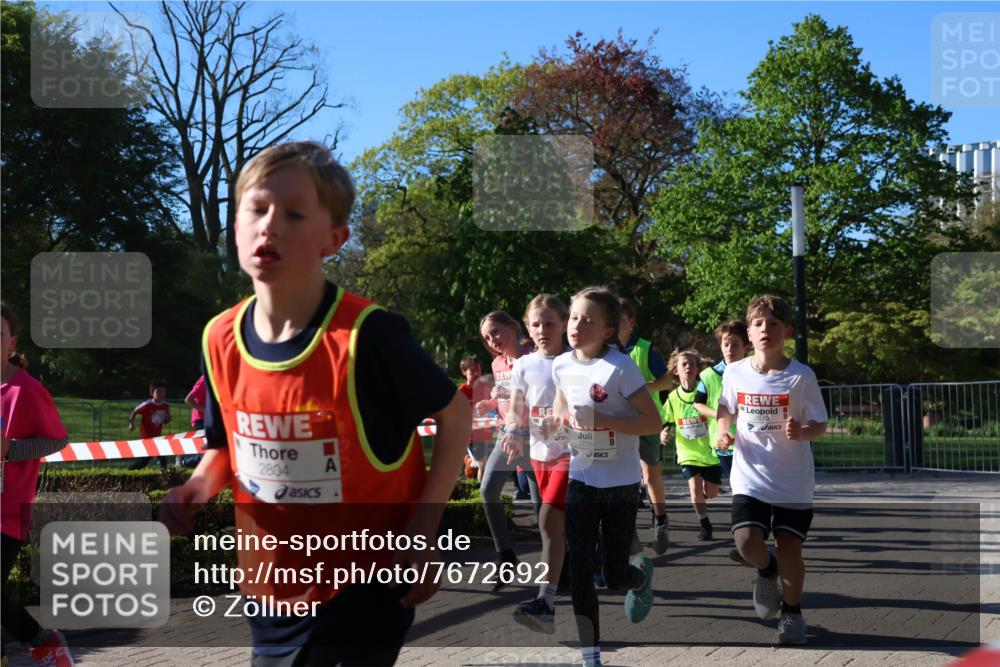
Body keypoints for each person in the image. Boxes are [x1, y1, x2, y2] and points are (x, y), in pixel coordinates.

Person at [158, 141, 470, 665]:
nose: (269, 225)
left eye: (294, 213)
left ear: (334, 239)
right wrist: (195, 487)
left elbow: (455, 414)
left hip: (365, 583)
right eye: (256, 209)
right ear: (235, 225)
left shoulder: (369, 336)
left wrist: (422, 529)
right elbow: (225, 447)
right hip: (269, 580)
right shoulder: (219, 338)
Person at [545, 286, 662, 667]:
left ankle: (638, 577)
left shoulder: (620, 367)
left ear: (608, 330)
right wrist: (556, 424)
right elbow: (562, 406)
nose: (578, 325)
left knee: (613, 576)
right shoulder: (561, 364)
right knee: (579, 566)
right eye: (575, 317)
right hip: (581, 477)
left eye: (589, 320)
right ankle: (590, 653)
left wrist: (605, 420)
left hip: (621, 484)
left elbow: (651, 420)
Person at [716, 295, 828, 646]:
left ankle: (792, 614)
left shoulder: (801, 376)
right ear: (749, 332)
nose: (766, 329)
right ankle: (766, 568)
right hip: (750, 476)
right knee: (747, 542)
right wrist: (722, 430)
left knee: (790, 546)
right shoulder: (735, 372)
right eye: (759, 324)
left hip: (792, 479)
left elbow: (820, 424)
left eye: (774, 324)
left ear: (788, 331)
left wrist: (803, 432)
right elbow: (725, 408)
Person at [0, 303, 75, 667]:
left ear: (11, 343)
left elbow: (58, 440)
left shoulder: (25, 390)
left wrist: (12, 449)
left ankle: (46, 645)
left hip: (7, 512)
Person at [502, 294, 570, 633]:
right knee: (557, 529)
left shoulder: (578, 361)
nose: (542, 330)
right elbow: (517, 407)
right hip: (540, 456)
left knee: (547, 520)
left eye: (549, 323)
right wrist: (513, 429)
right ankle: (623, 561)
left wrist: (565, 422)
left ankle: (545, 601)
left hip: (574, 455)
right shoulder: (524, 365)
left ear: (564, 323)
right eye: (536, 324)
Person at [475, 311, 539, 591]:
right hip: (507, 434)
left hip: (537, 438)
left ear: (513, 328)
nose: (493, 341)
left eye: (496, 332)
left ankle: (567, 564)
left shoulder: (535, 355)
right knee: (487, 489)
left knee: (544, 510)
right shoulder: (497, 363)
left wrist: (512, 396)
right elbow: (503, 395)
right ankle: (506, 555)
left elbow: (542, 396)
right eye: (488, 338)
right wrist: (490, 403)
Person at [618, 299, 673, 555]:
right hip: (617, 423)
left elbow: (666, 382)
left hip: (646, 420)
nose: (616, 322)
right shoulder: (601, 351)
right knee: (622, 479)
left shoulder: (643, 349)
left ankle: (660, 518)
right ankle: (628, 532)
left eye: (622, 318)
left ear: (631, 322)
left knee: (650, 475)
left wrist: (640, 389)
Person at [660, 350, 720, 541]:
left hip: (709, 451)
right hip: (687, 452)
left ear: (698, 369)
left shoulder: (705, 392)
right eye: (684, 364)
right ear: (676, 370)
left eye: (692, 364)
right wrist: (664, 432)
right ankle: (705, 525)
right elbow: (666, 420)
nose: (688, 367)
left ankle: (705, 491)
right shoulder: (673, 397)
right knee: (693, 489)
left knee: (711, 494)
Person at [694, 319, 749, 485]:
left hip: (751, 440)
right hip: (724, 442)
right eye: (726, 344)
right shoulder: (709, 375)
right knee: (739, 485)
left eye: (735, 345)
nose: (729, 349)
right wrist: (719, 415)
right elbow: (698, 404)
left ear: (746, 347)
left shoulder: (756, 373)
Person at [457, 357, 492, 481]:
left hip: (486, 433)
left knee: (485, 465)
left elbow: (492, 408)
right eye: (472, 373)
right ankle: (482, 495)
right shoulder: (461, 392)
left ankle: (469, 462)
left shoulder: (484, 389)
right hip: (471, 436)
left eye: (477, 372)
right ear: (464, 372)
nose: (476, 375)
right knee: (483, 464)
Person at [127, 380, 172, 470]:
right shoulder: (147, 404)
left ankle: (163, 471)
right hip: (146, 435)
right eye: (158, 392)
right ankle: (132, 470)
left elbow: (165, 421)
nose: (161, 394)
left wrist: (167, 419)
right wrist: (131, 423)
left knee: (150, 457)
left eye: (163, 392)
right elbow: (134, 412)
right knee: (149, 457)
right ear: (152, 393)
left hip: (157, 435)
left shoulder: (165, 406)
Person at [179, 375, 207, 468]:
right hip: (200, 420)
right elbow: (188, 400)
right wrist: (206, 411)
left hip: (212, 420)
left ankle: (184, 462)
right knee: (207, 452)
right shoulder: (204, 380)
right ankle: (183, 462)